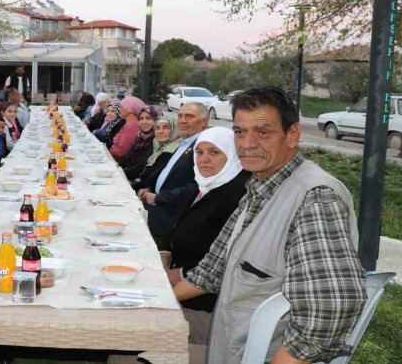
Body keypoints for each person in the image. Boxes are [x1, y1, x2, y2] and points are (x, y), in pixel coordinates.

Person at [173, 87, 366, 363]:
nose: (247, 144)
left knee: (128, 356)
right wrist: (154, 303)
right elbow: (211, 272)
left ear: (293, 135)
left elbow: (331, 308)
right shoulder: (259, 187)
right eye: (239, 132)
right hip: (228, 333)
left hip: (256, 351)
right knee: (136, 331)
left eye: (263, 132)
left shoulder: (315, 197)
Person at [159, 127, 251, 312]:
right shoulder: (202, 185)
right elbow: (173, 224)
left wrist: (177, 275)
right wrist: (164, 254)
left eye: (214, 152)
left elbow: (226, 261)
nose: (204, 159)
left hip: (201, 301)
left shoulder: (239, 197)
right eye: (199, 152)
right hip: (172, 282)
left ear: (232, 154)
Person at [137, 102, 208, 240]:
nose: (183, 121)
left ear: (204, 122)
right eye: (180, 116)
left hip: (170, 214)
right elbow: (167, 171)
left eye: (189, 116)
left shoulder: (202, 146)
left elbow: (197, 186)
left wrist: (158, 198)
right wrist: (149, 188)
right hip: (155, 202)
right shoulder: (183, 142)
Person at [128, 118, 179, 185]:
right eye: (157, 128)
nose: (160, 131)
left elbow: (155, 178)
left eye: (166, 128)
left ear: (174, 130)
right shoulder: (156, 144)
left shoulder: (172, 151)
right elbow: (142, 166)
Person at [118, 105, 162, 177]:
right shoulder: (140, 137)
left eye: (149, 118)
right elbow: (127, 157)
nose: (144, 122)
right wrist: (116, 165)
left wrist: (120, 172)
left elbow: (141, 167)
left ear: (157, 120)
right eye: (141, 118)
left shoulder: (157, 141)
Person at [109, 96, 147, 160]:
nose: (118, 109)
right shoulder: (128, 123)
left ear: (129, 109)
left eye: (121, 107)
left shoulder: (133, 125)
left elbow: (123, 151)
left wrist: (107, 152)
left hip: (119, 161)